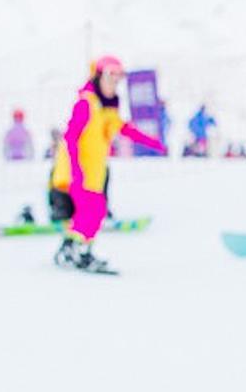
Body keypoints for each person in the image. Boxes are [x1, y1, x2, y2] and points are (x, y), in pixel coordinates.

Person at [50, 56, 166, 273]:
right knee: (90, 211)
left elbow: (125, 129)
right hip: (78, 170)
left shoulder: (107, 109)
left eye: (117, 80)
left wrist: (153, 143)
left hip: (94, 172)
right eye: (110, 78)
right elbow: (71, 138)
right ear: (98, 77)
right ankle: (77, 251)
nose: (114, 84)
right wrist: (76, 170)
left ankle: (73, 249)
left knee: (96, 211)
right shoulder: (86, 104)